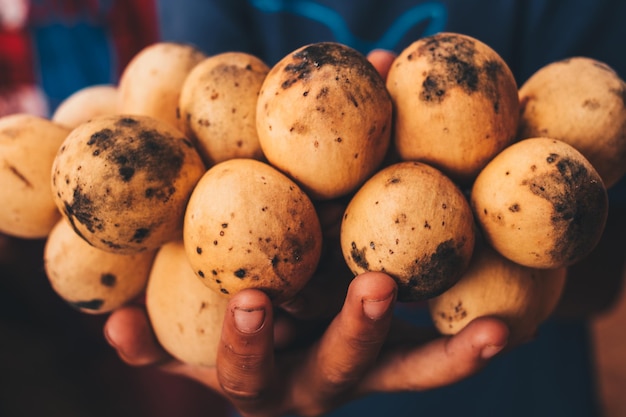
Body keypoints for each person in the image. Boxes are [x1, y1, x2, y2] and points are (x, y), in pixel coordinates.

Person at [103, 1, 626, 417]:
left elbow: (601, 258)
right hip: (289, 343)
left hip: (518, 386)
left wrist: (433, 275)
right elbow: (211, 97)